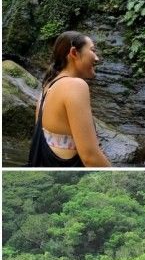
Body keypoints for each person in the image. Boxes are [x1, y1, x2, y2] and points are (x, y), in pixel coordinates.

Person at [28, 31, 111, 167]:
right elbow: (90, 157)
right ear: (74, 53)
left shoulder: (48, 86)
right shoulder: (75, 85)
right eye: (92, 50)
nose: (97, 58)